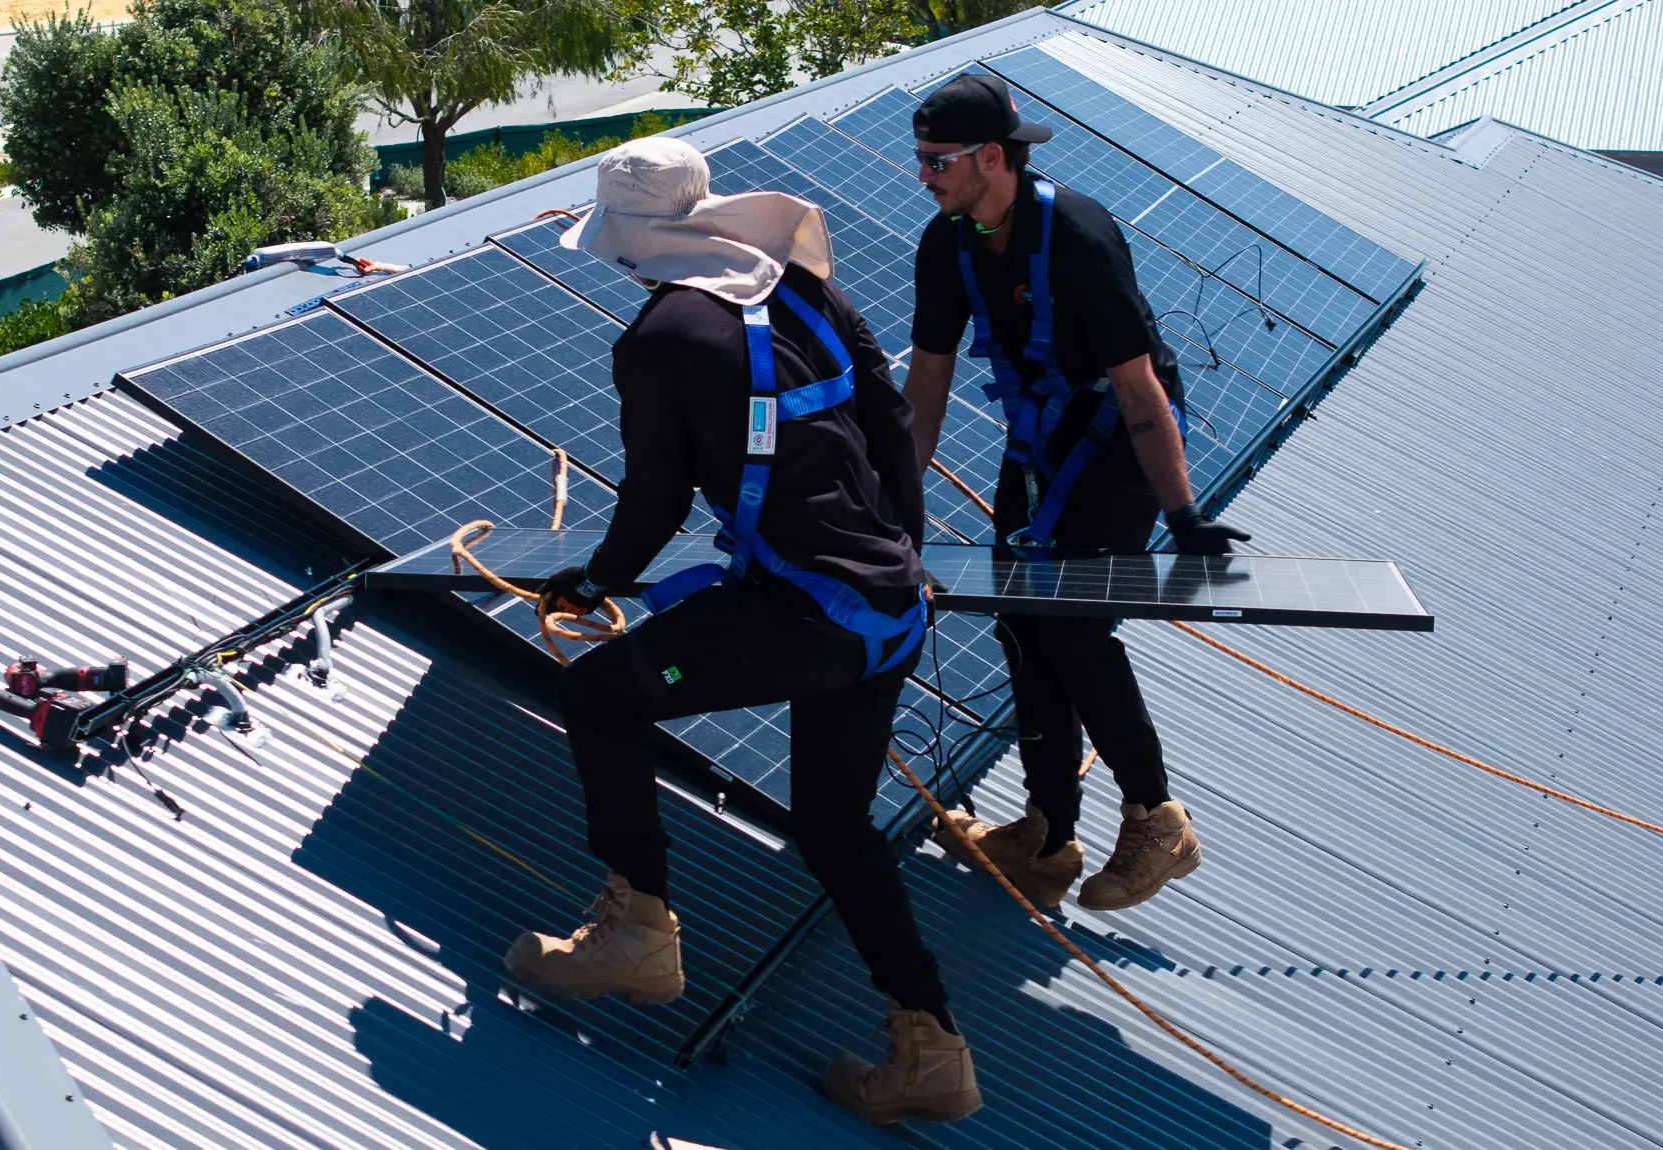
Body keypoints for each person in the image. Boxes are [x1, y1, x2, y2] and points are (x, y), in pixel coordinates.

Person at [504, 136, 982, 1126]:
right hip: (888, 606)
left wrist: (594, 582)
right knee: (832, 826)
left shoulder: (660, 340)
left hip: (799, 612)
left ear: (633, 241)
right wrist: (901, 558)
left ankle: (638, 929)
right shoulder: (800, 292)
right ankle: (930, 1046)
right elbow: (890, 431)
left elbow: (652, 498)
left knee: (598, 695)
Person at [903, 74, 1250, 913]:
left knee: (1076, 629)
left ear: (994, 157)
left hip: (1117, 448)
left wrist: (1181, 514)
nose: (926, 176)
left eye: (939, 161)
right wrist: (893, 505)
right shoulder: (946, 245)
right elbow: (926, 385)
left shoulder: (1080, 238)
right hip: (1040, 446)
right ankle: (1049, 834)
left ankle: (1158, 819)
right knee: (1021, 624)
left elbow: (1139, 391)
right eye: (919, 161)